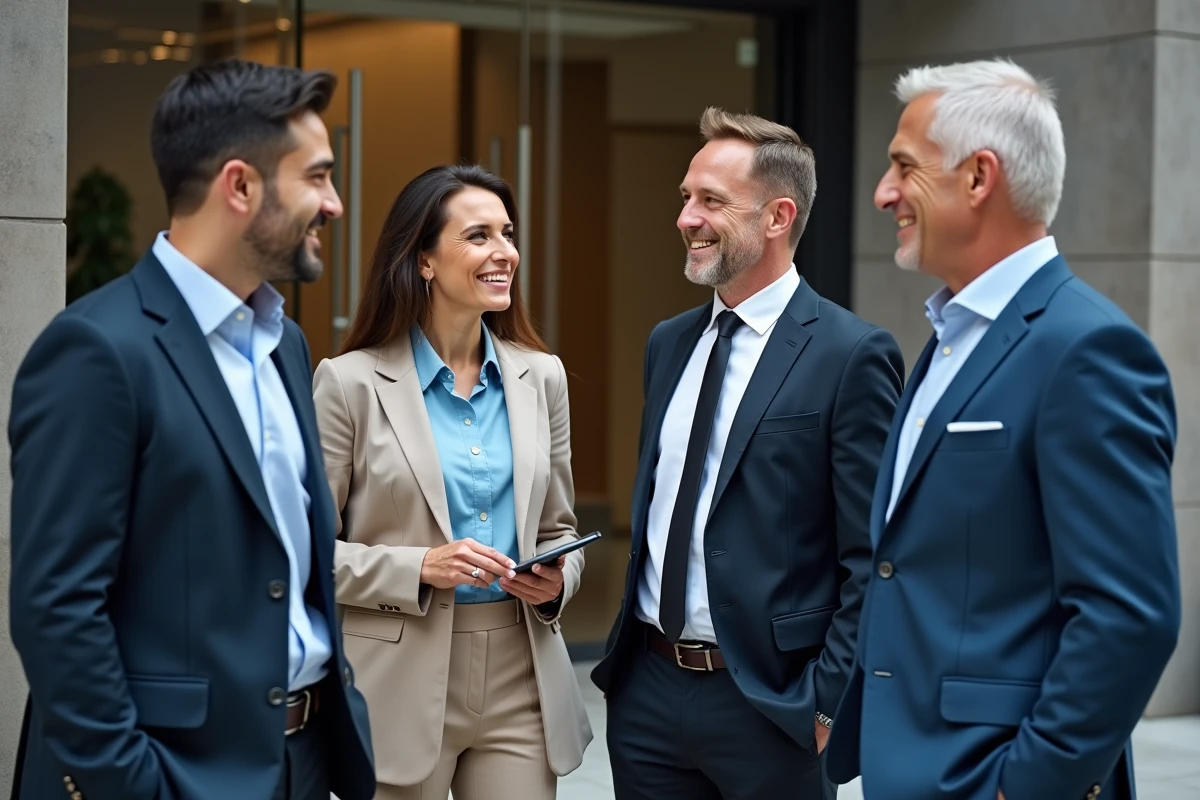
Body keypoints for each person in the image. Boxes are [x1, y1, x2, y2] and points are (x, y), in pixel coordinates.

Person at [6, 59, 375, 800]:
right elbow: (57, 605)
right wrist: (131, 783)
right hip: (171, 776)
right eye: (318, 177)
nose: (334, 203)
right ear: (239, 186)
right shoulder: (96, 350)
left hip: (301, 764)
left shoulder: (287, 344)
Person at [824, 58, 1181, 800]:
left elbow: (1128, 619)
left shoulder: (1088, 351)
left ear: (979, 177)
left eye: (903, 167)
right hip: (912, 768)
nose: (883, 193)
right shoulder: (951, 337)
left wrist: (1024, 787)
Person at [590, 107, 904, 799]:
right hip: (646, 692)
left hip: (771, 707)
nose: (685, 218)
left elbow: (874, 556)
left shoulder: (852, 354)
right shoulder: (668, 343)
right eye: (685, 197)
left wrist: (826, 705)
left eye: (711, 201)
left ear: (777, 216)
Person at [311, 164, 592, 800]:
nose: (505, 253)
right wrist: (419, 566)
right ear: (424, 261)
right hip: (396, 679)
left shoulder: (542, 378)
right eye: (478, 236)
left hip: (522, 677)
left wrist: (555, 582)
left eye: (508, 233)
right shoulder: (348, 383)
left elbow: (560, 529)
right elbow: (302, 557)